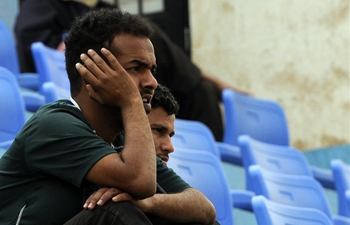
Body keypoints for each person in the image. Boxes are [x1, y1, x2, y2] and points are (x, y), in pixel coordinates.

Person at [0, 8, 158, 224]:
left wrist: (150, 203)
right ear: (92, 72)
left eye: (152, 70)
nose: (152, 82)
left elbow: (204, 209)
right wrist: (131, 101)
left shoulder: (125, 142)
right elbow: (140, 181)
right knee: (116, 212)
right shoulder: (53, 124)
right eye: (136, 68)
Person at [15, 0, 250, 142]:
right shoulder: (41, 5)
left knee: (201, 92)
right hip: (79, 78)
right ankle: (205, 79)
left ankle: (204, 85)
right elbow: (36, 49)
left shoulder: (101, 8)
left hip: (120, 75)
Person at [84, 84, 217, 224]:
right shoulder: (93, 144)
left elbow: (206, 209)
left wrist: (149, 202)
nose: (170, 147)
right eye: (159, 131)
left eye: (170, 136)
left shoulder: (152, 165)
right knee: (119, 207)